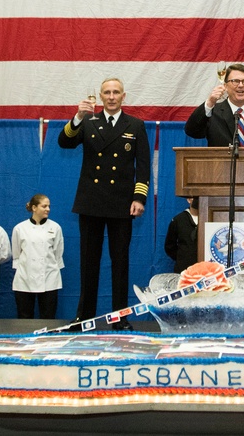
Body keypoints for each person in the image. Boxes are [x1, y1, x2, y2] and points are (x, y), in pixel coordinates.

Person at [58, 77, 150, 330]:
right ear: (100, 96)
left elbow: (142, 167)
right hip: (91, 202)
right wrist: (77, 117)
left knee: (120, 263)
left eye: (116, 92)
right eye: (107, 93)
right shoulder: (88, 121)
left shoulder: (135, 125)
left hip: (122, 203)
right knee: (89, 262)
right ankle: (84, 316)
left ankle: (120, 318)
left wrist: (139, 197)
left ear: (124, 96)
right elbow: (64, 142)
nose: (111, 96)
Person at [184, 63, 244, 219]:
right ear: (226, 85)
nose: (240, 85)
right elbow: (192, 131)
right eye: (235, 81)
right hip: (216, 190)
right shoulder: (213, 112)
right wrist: (209, 103)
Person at [10, 194, 64, 319]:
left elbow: (58, 253)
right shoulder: (20, 228)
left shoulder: (55, 228)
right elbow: (16, 254)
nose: (48, 209)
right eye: (44, 206)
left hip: (49, 277)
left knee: (48, 316)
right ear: (34, 208)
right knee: (24, 317)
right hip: (25, 277)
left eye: (49, 206)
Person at [165, 197, 199, 273]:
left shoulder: (210, 217)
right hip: (183, 269)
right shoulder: (178, 220)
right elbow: (169, 246)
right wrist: (182, 257)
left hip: (206, 269)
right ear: (188, 199)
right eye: (195, 197)